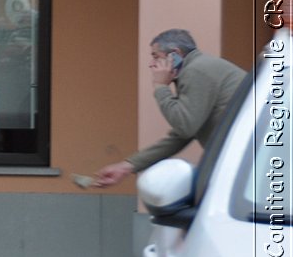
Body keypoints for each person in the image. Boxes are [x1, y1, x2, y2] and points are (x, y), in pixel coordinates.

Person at [91, 29, 247, 187]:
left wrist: (160, 87)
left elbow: (185, 127)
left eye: (156, 56)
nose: (151, 64)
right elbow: (181, 135)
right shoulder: (199, 68)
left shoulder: (196, 70)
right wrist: (126, 167)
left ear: (175, 54)